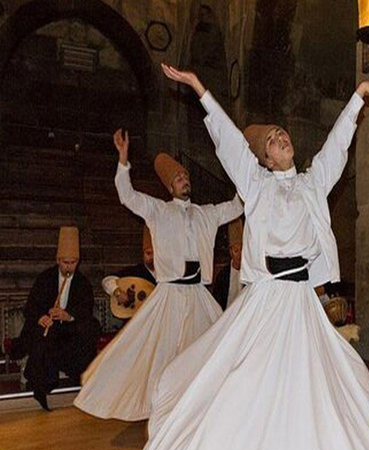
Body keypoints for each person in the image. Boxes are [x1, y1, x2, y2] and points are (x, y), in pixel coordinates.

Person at [132, 63, 369, 450]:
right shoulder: (255, 185)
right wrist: (200, 89)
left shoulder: (313, 184)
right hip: (266, 299)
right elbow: (225, 139)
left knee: (315, 380)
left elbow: (338, 147)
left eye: (284, 135)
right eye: (274, 140)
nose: (282, 139)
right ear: (264, 158)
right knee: (252, 379)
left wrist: (357, 95)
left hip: (300, 299)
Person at [73, 136, 243, 421]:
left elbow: (237, 207)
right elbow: (127, 196)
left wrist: (244, 168)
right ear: (169, 186)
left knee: (216, 345)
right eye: (178, 178)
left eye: (185, 176)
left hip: (198, 293)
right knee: (159, 352)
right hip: (170, 294)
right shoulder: (159, 211)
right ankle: (164, 409)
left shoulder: (207, 214)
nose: (184, 180)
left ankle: (204, 410)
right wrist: (123, 161)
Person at [11, 226, 99, 411]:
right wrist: (41, 317)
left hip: (68, 330)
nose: (69, 267)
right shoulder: (45, 278)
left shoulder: (82, 283)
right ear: (58, 260)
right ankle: (42, 386)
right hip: (49, 329)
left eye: (73, 262)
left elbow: (86, 310)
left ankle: (83, 377)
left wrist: (68, 315)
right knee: (41, 337)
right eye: (65, 262)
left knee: (91, 327)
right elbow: (31, 307)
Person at [101, 225, 157, 306]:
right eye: (148, 253)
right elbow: (107, 280)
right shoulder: (136, 271)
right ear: (142, 253)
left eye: (156, 254)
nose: (152, 257)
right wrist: (117, 292)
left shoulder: (169, 275)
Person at [211, 218, 244, 309]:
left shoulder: (249, 273)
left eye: (242, 250)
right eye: (236, 251)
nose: (240, 255)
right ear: (230, 252)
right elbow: (216, 304)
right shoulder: (223, 276)